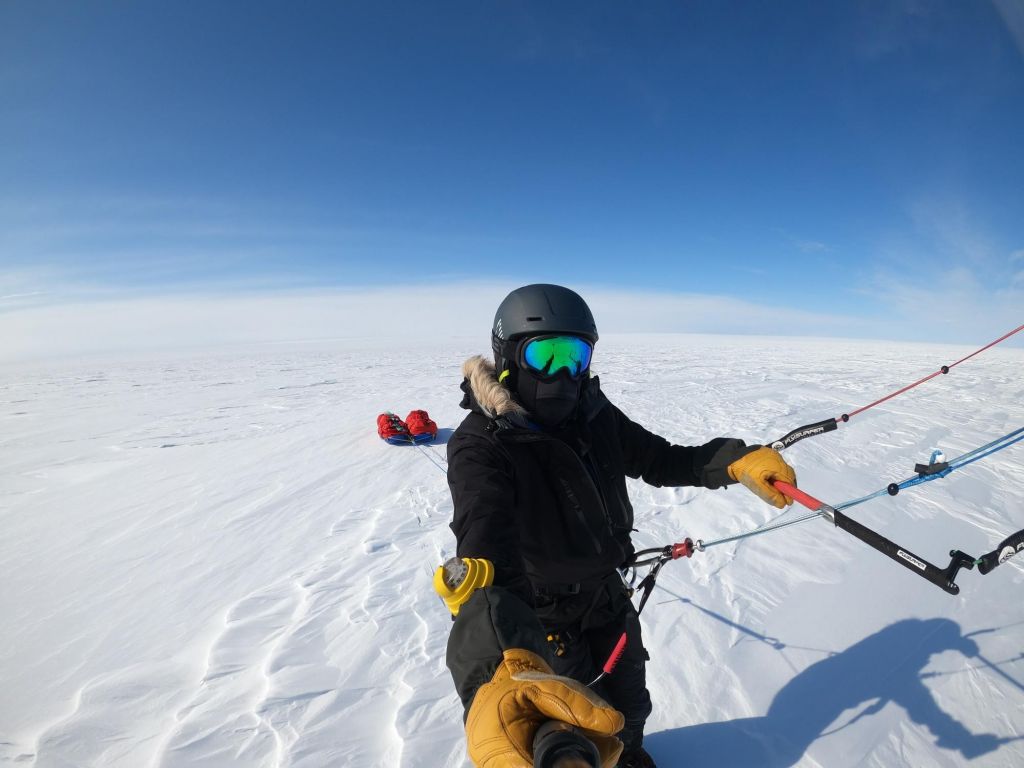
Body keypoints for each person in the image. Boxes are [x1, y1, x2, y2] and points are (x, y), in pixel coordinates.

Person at [441, 284, 797, 768]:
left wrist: (735, 462)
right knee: (573, 729)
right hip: (543, 618)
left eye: (576, 355)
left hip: (608, 594)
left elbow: (661, 459)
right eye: (546, 354)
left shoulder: (594, 415)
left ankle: (632, 757)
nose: (563, 373)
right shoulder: (481, 446)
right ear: (507, 357)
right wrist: (499, 672)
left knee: (629, 704)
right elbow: (486, 556)